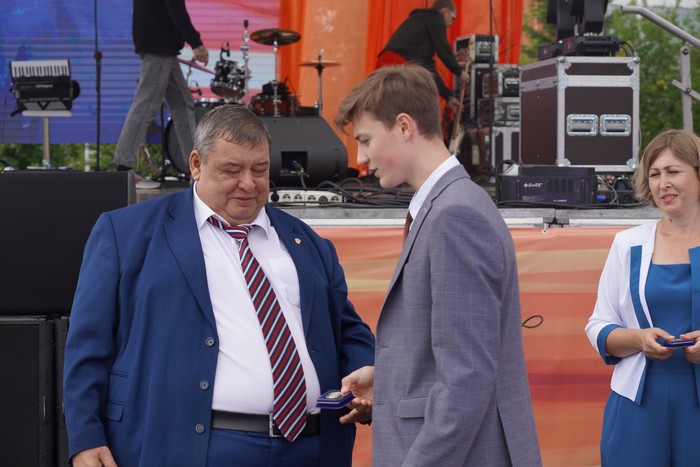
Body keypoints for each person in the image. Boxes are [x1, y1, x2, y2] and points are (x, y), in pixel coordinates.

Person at [64, 104, 376, 467]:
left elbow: (346, 329)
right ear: (196, 164)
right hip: (191, 448)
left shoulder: (306, 241)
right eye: (232, 170)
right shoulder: (127, 234)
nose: (249, 183)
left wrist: (366, 370)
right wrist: (86, 436)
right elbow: (89, 343)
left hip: (313, 447)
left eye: (260, 169)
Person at [334, 65, 541, 466]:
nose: (360, 158)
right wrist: (387, 380)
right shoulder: (449, 205)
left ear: (404, 126)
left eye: (365, 140)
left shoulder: (454, 214)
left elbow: (466, 376)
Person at [585, 129, 700, 466]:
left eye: (673, 171)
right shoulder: (628, 243)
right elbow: (598, 325)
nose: (663, 183)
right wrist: (638, 339)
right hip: (638, 405)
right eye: (654, 174)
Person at [113, 0, 209, 184]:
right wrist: (196, 42)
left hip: (161, 46)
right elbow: (175, 8)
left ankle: (197, 170)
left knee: (183, 104)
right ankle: (123, 169)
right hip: (159, 47)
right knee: (145, 106)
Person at [376, 0, 468, 112]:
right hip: (399, 64)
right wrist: (460, 72)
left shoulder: (421, 26)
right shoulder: (436, 17)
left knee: (386, 110)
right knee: (410, 108)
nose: (451, 24)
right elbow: (443, 50)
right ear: (445, 11)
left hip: (384, 62)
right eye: (452, 18)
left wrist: (448, 96)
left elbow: (428, 70)